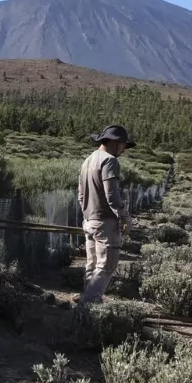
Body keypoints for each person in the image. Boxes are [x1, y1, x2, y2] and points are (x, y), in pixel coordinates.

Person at [76, 124, 134, 305]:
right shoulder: (109, 161)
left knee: (92, 264)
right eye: (124, 145)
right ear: (115, 143)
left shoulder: (88, 160)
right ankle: (88, 307)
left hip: (89, 221)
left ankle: (88, 298)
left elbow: (80, 195)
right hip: (105, 223)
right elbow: (112, 196)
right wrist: (124, 216)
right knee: (106, 266)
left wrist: (87, 216)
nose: (124, 150)